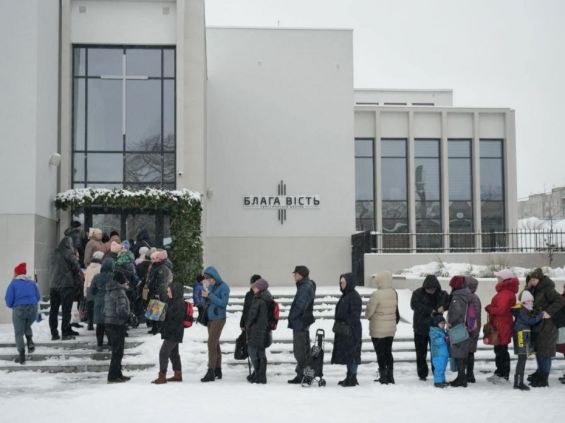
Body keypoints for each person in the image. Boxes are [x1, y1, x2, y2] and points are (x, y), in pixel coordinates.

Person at [526, 268, 565, 387]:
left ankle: (543, 379)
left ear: (539, 279)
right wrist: (528, 286)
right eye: (531, 279)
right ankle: (540, 374)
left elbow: (560, 301)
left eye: (533, 279)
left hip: (549, 326)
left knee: (545, 352)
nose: (532, 281)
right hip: (539, 325)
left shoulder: (548, 289)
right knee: (540, 351)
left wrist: (549, 312)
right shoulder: (536, 289)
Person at [410, 274, 449, 381]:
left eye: (433, 289)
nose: (431, 291)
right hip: (420, 327)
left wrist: (444, 307)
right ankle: (422, 374)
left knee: (436, 352)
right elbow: (414, 305)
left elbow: (449, 302)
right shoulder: (417, 293)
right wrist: (429, 310)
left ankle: (436, 372)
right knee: (420, 353)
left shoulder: (442, 294)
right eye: (428, 289)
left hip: (436, 329)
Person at [485, 268, 519, 384]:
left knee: (501, 351)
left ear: (503, 279)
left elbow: (501, 310)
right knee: (499, 350)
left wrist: (489, 308)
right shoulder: (505, 292)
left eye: (498, 277)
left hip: (502, 325)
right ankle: (500, 372)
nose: (497, 279)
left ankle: (503, 375)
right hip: (501, 324)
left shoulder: (505, 293)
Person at [365, 271, 398, 384]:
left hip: (378, 328)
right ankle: (390, 376)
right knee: (388, 351)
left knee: (380, 353)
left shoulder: (377, 294)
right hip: (390, 328)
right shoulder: (393, 293)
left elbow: (369, 311)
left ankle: (383, 376)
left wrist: (368, 316)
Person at [4, 263, 40, 364]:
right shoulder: (32, 283)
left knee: (19, 332)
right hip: (33, 309)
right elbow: (38, 297)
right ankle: (29, 341)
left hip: (20, 309)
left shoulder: (13, 283)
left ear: (16, 273)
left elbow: (8, 301)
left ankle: (22, 356)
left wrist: (15, 306)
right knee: (26, 324)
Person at [48, 237, 82, 340]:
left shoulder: (53, 253)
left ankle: (54, 333)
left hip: (53, 285)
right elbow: (76, 268)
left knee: (53, 310)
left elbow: (49, 266)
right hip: (66, 285)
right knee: (66, 310)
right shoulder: (69, 253)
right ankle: (65, 331)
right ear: (69, 244)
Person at [331, 273, 362, 387]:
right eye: (340, 282)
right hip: (346, 330)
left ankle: (352, 377)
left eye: (343, 282)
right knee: (349, 354)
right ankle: (349, 376)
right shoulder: (346, 295)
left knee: (353, 354)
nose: (341, 284)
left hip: (352, 330)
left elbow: (355, 315)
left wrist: (345, 322)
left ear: (349, 283)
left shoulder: (353, 296)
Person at [200, 266, 230, 382]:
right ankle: (218, 369)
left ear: (215, 277)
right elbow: (209, 300)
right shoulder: (211, 286)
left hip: (219, 318)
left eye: (210, 279)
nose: (209, 281)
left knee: (211, 344)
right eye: (207, 279)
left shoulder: (224, 287)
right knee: (215, 344)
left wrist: (210, 296)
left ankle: (211, 371)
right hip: (211, 318)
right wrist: (205, 298)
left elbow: (223, 303)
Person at [287, 265, 316, 384]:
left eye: (296, 274)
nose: (294, 275)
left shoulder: (305, 287)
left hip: (300, 321)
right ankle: (303, 374)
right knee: (303, 350)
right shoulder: (305, 285)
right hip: (303, 321)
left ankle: (304, 375)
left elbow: (300, 305)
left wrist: (292, 317)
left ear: (301, 275)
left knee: (300, 351)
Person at [152, 282, 186, 384]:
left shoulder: (180, 303)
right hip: (170, 331)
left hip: (174, 332)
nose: (167, 292)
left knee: (163, 353)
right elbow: (165, 310)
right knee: (173, 353)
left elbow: (173, 319)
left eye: (169, 290)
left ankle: (162, 376)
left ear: (175, 291)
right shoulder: (171, 301)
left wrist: (163, 315)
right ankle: (178, 374)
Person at [104, 259, 131, 383]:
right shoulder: (119, 292)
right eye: (125, 281)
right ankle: (113, 376)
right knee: (117, 352)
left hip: (110, 323)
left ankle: (118, 373)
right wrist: (129, 316)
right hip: (117, 324)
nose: (127, 283)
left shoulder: (110, 290)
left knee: (117, 351)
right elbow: (121, 310)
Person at [511, 290, 544, 390]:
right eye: (530, 301)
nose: (532, 303)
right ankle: (518, 382)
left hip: (523, 335)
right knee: (522, 359)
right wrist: (541, 315)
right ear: (524, 301)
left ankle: (518, 381)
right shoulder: (522, 310)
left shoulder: (524, 309)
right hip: (522, 335)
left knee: (522, 359)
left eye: (532, 301)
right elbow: (530, 321)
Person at [246, 278, 274, 384]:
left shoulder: (258, 300)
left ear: (260, 288)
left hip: (256, 330)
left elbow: (252, 316)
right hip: (264, 330)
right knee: (261, 353)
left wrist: (247, 326)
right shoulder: (267, 297)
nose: (253, 288)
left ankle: (258, 374)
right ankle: (261, 376)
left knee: (253, 352)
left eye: (256, 286)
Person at [446, 276, 472, 388]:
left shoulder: (458, 296)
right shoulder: (465, 294)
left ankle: (461, 378)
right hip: (463, 327)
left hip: (457, 327)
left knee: (458, 353)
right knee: (461, 353)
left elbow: (456, 312)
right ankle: (462, 377)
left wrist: (450, 321)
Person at [146, 250, 172, 335]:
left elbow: (162, 282)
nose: (153, 260)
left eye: (155, 258)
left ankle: (158, 328)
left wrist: (158, 292)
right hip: (154, 290)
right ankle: (155, 327)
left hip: (159, 291)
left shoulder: (162, 268)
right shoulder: (156, 266)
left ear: (159, 259)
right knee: (154, 309)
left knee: (158, 310)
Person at [91, 258, 114, 351]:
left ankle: (99, 344)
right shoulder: (114, 276)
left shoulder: (96, 277)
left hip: (99, 302)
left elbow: (92, 290)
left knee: (100, 325)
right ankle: (111, 343)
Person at [464, 276, 481, 383]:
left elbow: (471, 316)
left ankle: (469, 375)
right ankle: (469, 374)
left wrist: (469, 329)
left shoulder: (470, 298)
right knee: (470, 352)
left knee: (469, 353)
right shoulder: (475, 297)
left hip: (470, 329)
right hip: (474, 328)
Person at [84, 251, 104, 330]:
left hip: (89, 288)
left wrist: (85, 292)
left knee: (90, 307)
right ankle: (99, 323)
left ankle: (90, 323)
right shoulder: (100, 267)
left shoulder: (88, 267)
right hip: (97, 288)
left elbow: (86, 280)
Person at [429, 314, 449, 388]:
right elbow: (436, 341)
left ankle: (442, 381)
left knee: (443, 368)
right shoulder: (434, 332)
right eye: (441, 324)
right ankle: (437, 382)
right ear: (436, 323)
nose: (443, 325)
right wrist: (444, 339)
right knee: (439, 368)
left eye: (444, 323)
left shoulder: (442, 331)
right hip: (438, 354)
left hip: (443, 354)